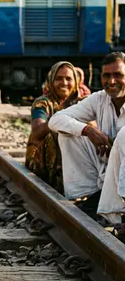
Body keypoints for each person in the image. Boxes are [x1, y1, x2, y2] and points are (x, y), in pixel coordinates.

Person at [49, 52, 125, 230]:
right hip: (110, 168)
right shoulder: (99, 99)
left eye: (119, 75)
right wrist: (88, 130)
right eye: (107, 76)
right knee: (68, 133)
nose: (111, 81)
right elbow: (56, 120)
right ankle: (94, 198)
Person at [25, 62, 81, 194]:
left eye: (68, 79)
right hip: (41, 162)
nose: (64, 83)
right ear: (51, 81)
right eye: (59, 79)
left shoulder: (82, 103)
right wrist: (61, 120)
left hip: (74, 165)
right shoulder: (43, 103)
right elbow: (37, 132)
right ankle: (59, 185)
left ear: (76, 82)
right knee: (55, 135)